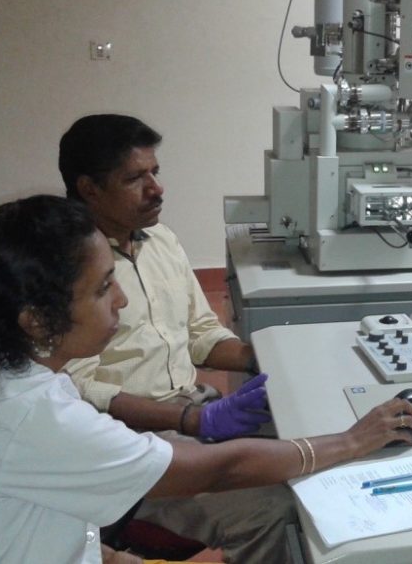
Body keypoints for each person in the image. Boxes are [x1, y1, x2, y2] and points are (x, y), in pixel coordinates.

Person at [0, 195, 412, 564]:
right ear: (36, 318)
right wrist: (352, 440)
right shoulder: (29, 410)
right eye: (104, 288)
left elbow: (20, 508)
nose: (122, 299)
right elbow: (219, 466)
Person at [57, 114, 298, 561]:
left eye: (155, 172)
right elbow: (78, 389)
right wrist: (190, 422)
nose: (156, 188)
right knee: (276, 509)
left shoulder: (161, 240)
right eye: (135, 178)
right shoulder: (67, 266)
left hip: (194, 410)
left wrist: (269, 359)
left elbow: (201, 335)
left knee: (307, 444)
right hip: (130, 445)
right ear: (89, 188)